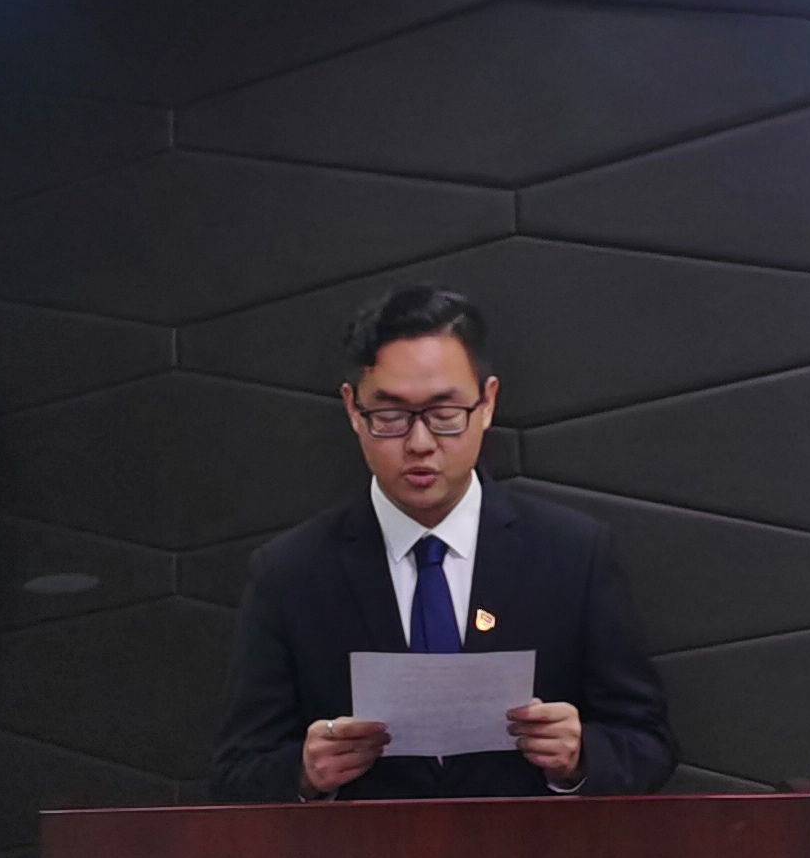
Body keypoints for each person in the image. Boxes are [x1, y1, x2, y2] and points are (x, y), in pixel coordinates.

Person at [210, 285, 674, 802]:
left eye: (444, 414)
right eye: (390, 416)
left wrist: (581, 755)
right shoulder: (291, 573)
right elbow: (236, 772)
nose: (420, 443)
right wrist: (305, 772)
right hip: (363, 852)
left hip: (528, 849)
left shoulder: (572, 554)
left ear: (487, 403)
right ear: (353, 409)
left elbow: (647, 744)